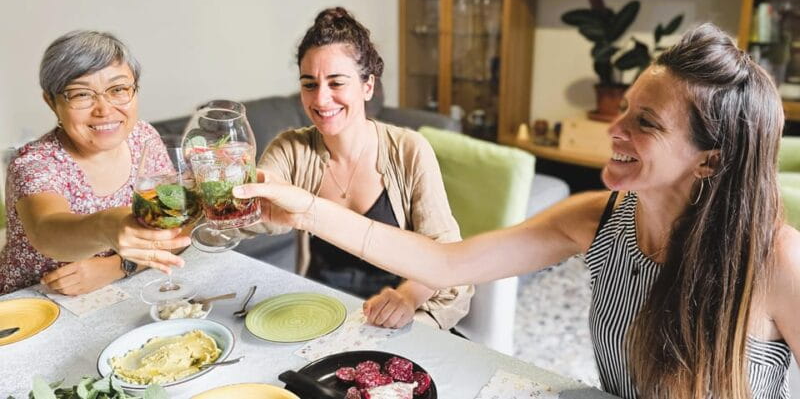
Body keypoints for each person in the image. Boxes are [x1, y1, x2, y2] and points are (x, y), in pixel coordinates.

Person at [236, 23, 798, 399]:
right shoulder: (597, 219)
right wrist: (306, 209)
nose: (615, 129)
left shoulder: (776, 261)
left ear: (709, 160)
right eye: (625, 108)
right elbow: (446, 264)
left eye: (645, 122)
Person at [255, 7, 473, 330]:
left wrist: (407, 298)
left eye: (336, 83)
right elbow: (256, 198)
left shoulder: (409, 150)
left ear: (367, 86)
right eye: (309, 84)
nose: (321, 99)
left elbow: (444, 253)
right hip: (324, 314)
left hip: (401, 315)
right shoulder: (291, 149)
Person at [0, 30, 189, 296]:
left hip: (122, 290)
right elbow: (46, 230)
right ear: (51, 102)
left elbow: (176, 231)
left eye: (118, 89)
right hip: (34, 303)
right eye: (81, 95)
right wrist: (106, 225)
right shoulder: (33, 162)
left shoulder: (143, 137)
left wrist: (118, 267)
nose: (104, 109)